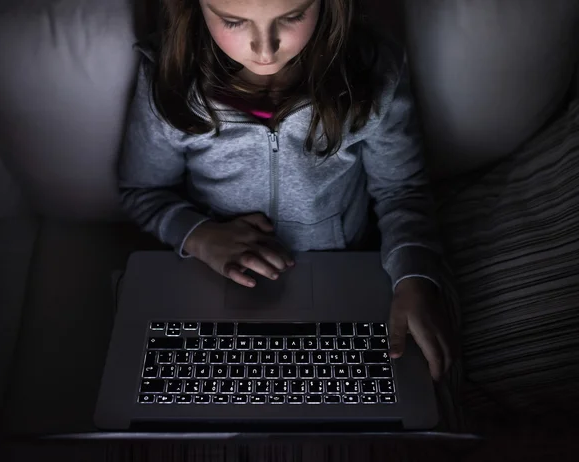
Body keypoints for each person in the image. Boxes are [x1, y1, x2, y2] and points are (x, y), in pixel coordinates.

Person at [118, 0, 457, 385]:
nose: (265, 50)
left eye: (293, 16)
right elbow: (141, 190)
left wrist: (413, 277)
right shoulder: (169, 75)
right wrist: (198, 236)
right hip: (212, 280)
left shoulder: (374, 70)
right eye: (233, 21)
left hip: (342, 273)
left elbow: (401, 190)